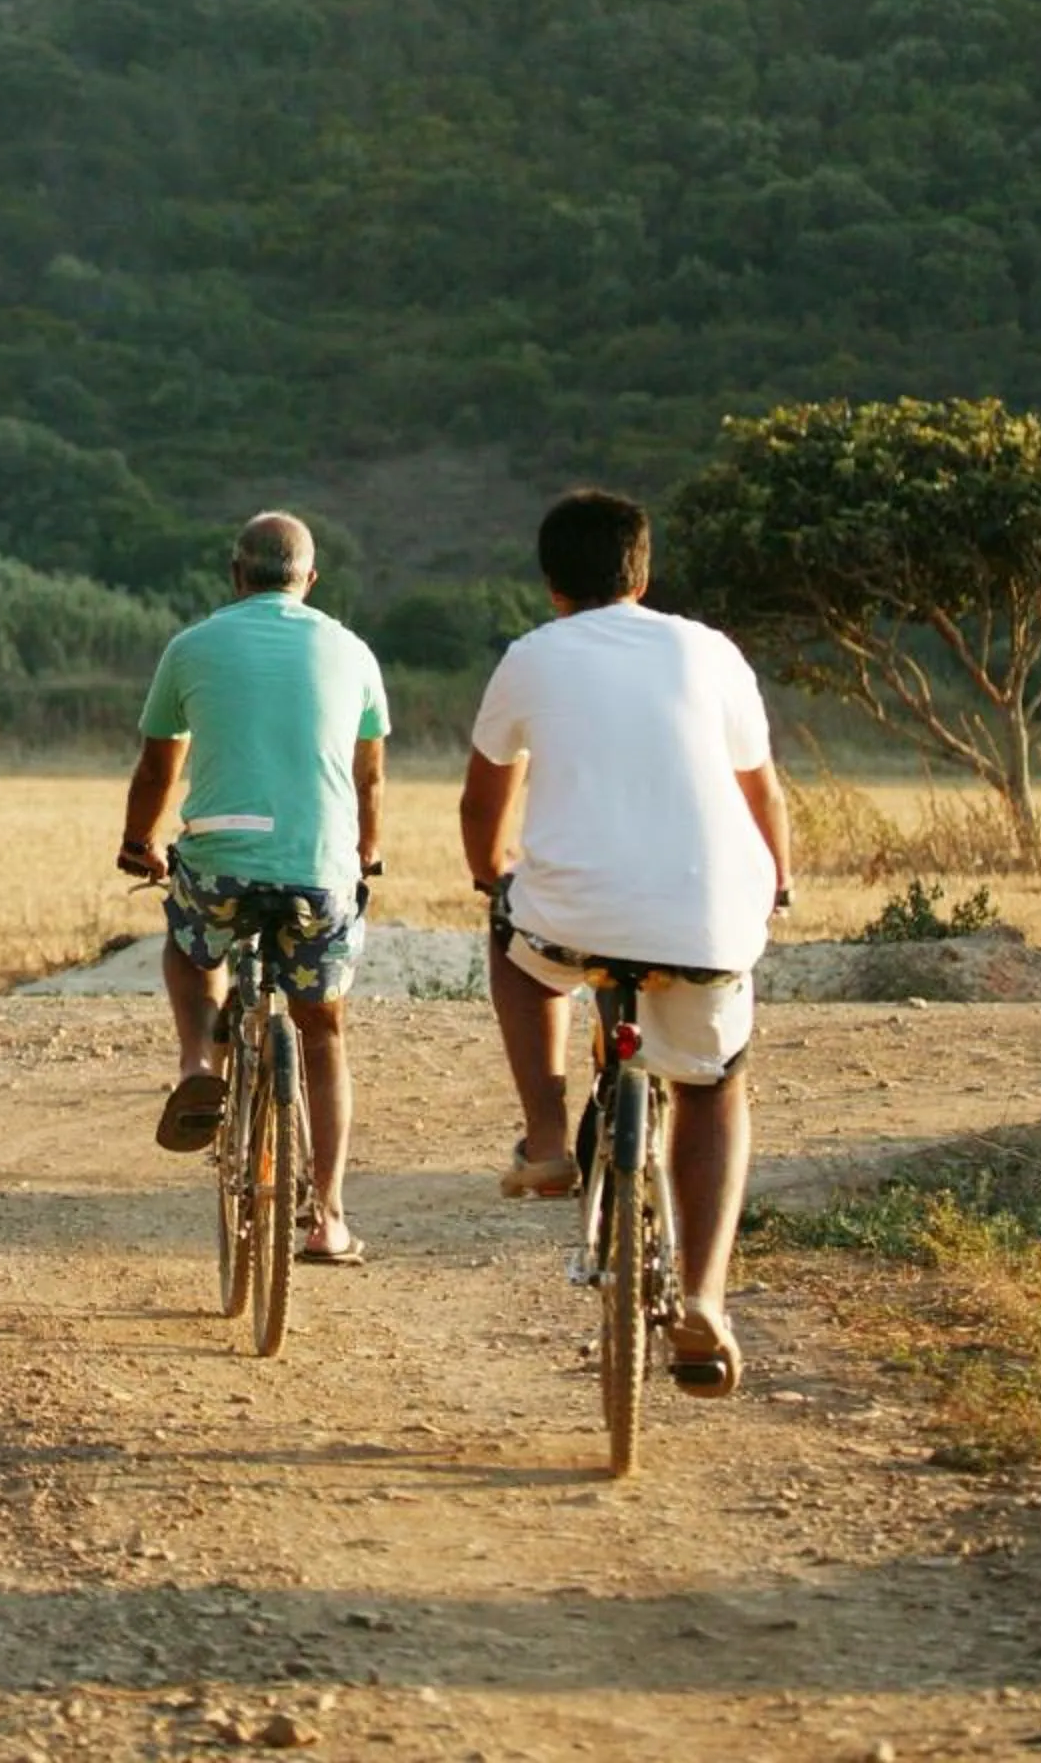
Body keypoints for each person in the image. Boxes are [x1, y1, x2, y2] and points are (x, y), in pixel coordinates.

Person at [458, 486, 791, 1398]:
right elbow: (763, 793)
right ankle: (706, 1299)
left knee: (516, 948)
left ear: (551, 585)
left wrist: (492, 878)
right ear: (642, 576)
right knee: (713, 1089)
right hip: (708, 916)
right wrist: (780, 883)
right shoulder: (711, 651)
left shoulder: (531, 656)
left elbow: (484, 802)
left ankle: (545, 1139)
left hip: (569, 917)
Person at [117, 510, 388, 1266]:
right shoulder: (352, 650)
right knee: (323, 1032)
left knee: (189, 945)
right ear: (310, 579)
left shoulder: (191, 645)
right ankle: (328, 1218)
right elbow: (369, 776)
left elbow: (157, 767)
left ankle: (198, 1067)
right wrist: (366, 852)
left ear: (236, 575)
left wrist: (138, 844)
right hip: (320, 867)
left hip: (220, 856)